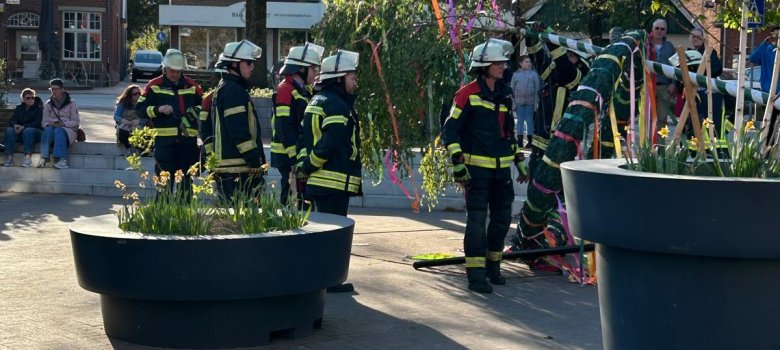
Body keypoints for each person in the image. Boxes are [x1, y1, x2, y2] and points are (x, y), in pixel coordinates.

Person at [441, 38, 529, 293]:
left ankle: (493, 267)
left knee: (502, 221)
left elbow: (509, 133)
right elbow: (450, 131)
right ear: (483, 65)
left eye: (503, 62)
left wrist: (520, 162)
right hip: (476, 172)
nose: (502, 66)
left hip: (502, 171)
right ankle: (476, 275)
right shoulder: (467, 93)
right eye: (497, 63)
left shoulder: (505, 93)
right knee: (477, 223)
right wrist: (458, 164)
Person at [296, 49, 361, 293]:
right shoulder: (337, 105)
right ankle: (331, 282)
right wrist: (311, 165)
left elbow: (303, 141)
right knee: (334, 236)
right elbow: (330, 144)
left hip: (319, 181)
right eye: (351, 77)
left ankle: (325, 279)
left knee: (323, 233)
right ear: (338, 78)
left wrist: (304, 167)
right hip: (334, 182)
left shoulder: (316, 100)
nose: (355, 82)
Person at [137, 49, 203, 193]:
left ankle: (185, 214)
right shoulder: (154, 85)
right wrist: (158, 109)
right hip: (164, 143)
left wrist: (193, 112)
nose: (175, 74)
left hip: (187, 142)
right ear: (165, 68)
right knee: (164, 184)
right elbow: (140, 109)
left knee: (186, 185)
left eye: (178, 71)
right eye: (172, 71)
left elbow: (204, 105)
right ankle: (164, 213)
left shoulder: (192, 86)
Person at [208, 40, 267, 199]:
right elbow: (238, 130)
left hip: (234, 168)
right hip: (237, 169)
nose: (252, 67)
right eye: (249, 62)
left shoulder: (228, 87)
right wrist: (254, 160)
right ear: (234, 64)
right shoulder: (233, 90)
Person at [271, 42, 324, 205]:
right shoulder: (285, 89)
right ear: (301, 69)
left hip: (297, 153)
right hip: (288, 154)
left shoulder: (302, 90)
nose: (316, 73)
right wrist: (294, 155)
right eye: (313, 68)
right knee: (291, 195)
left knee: (301, 196)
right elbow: (283, 124)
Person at [39, 79, 80, 169]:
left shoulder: (71, 102)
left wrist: (64, 124)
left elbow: (76, 121)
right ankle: (43, 157)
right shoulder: (48, 103)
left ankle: (62, 160)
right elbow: (44, 121)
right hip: (53, 128)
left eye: (56, 89)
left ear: (62, 89)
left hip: (68, 131)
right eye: (52, 89)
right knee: (47, 130)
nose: (54, 91)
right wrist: (49, 124)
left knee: (59, 131)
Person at [749, 25, 780, 143]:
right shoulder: (767, 50)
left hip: (774, 92)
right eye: (775, 35)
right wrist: (763, 44)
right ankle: (767, 149)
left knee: (770, 124)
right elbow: (753, 58)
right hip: (769, 93)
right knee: (769, 124)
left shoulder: (769, 50)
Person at [650, 19, 677, 134]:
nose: (659, 31)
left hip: (664, 88)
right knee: (647, 118)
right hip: (648, 87)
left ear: (666, 31)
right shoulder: (645, 44)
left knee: (662, 120)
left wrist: (673, 84)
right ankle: (646, 149)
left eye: (662, 29)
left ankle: (661, 149)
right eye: (657, 28)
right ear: (652, 29)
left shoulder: (670, 47)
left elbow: (676, 67)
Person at [3, 88, 43, 167]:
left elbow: (38, 123)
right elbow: (13, 120)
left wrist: (24, 126)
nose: (31, 99)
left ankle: (28, 158)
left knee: (28, 130)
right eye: (28, 98)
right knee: (10, 130)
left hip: (35, 133)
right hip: (21, 133)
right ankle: (9, 158)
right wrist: (15, 125)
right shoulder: (19, 108)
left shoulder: (38, 108)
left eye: (33, 98)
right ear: (23, 99)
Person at [510, 55, 540, 148]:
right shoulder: (516, 75)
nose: (529, 64)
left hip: (530, 103)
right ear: (520, 63)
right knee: (520, 122)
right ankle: (519, 140)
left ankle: (530, 140)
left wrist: (536, 105)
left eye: (529, 62)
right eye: (526, 62)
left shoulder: (533, 74)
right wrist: (513, 104)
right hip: (519, 103)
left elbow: (537, 90)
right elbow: (512, 89)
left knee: (530, 122)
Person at [113, 84, 143, 154]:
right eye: (135, 94)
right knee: (122, 130)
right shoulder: (123, 103)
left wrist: (139, 121)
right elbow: (116, 116)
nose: (138, 95)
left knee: (140, 131)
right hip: (126, 123)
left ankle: (139, 149)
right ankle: (128, 148)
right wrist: (122, 120)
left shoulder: (143, 104)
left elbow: (147, 117)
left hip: (138, 124)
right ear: (129, 95)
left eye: (139, 93)